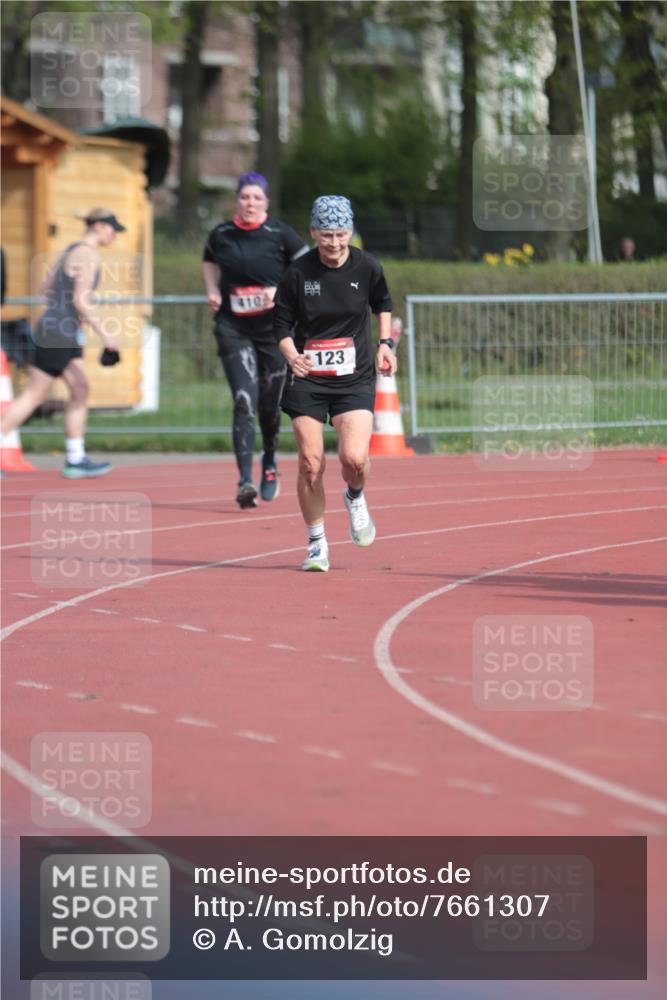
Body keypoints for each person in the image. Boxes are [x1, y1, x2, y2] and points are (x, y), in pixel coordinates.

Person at [273, 194, 396, 572]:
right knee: (310, 464)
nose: (334, 242)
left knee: (354, 458)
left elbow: (383, 304)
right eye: (326, 234)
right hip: (308, 378)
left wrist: (385, 344)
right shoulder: (298, 274)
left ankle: (355, 496)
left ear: (350, 232)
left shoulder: (367, 267)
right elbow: (279, 325)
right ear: (312, 233)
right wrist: (293, 355)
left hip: (353, 377)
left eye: (341, 234)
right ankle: (316, 544)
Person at [202, 172, 308, 508]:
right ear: (237, 200)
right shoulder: (222, 233)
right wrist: (212, 289)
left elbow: (306, 267)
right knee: (243, 401)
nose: (250, 204)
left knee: (267, 404)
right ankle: (245, 480)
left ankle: (271, 460)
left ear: (266, 203)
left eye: (257, 199)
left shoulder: (279, 233)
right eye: (245, 197)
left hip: (274, 333)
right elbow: (207, 260)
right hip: (233, 328)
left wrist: (281, 291)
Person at [0, 208, 123, 478]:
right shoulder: (88, 255)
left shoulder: (70, 250)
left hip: (59, 329)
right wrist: (106, 335)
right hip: (59, 332)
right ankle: (74, 456)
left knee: (79, 388)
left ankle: (76, 458)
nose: (115, 235)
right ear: (100, 227)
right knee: (35, 394)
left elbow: (47, 288)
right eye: (114, 229)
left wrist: (63, 313)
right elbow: (81, 299)